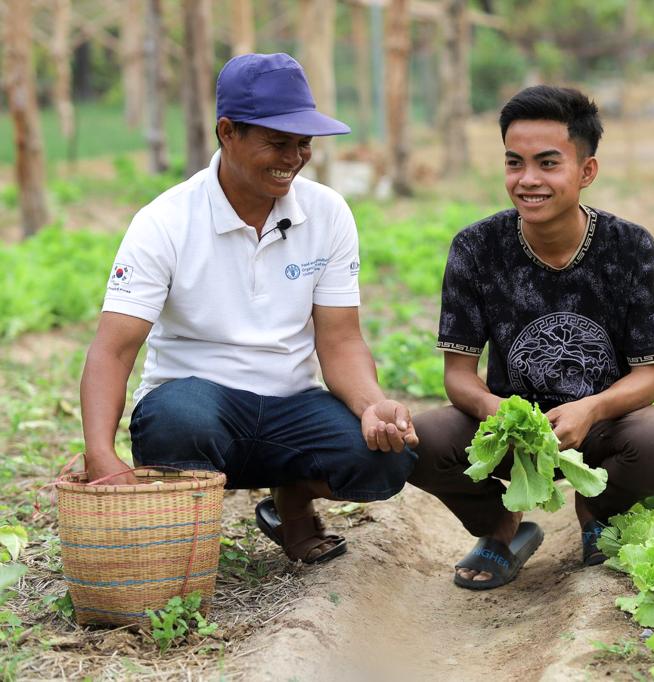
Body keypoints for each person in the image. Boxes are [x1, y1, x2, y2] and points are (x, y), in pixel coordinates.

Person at [80, 53, 418, 564]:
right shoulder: (165, 221)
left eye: (303, 143)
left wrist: (372, 406)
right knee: (180, 419)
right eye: (277, 142)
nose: (294, 156)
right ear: (227, 131)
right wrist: (100, 454)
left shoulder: (327, 212)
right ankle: (185, 544)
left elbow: (341, 340)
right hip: (199, 404)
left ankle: (292, 503)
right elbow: (113, 349)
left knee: (385, 456)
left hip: (290, 405)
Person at [409, 85, 654, 590]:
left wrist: (592, 409)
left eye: (547, 163)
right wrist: (501, 414)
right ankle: (500, 526)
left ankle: (598, 508)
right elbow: (459, 377)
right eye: (514, 163)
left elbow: (650, 375)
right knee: (418, 442)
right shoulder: (476, 249)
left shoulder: (630, 249)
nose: (528, 180)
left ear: (586, 172)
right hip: (507, 435)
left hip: (600, 430)